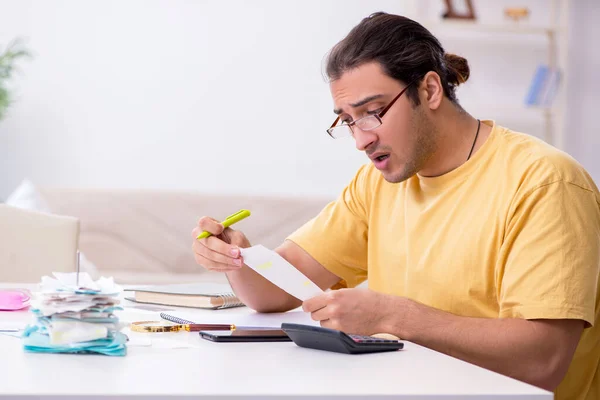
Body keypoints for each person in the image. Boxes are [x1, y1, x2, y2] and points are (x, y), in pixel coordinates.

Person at [191, 12, 600, 399]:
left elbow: (543, 360)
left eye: (372, 112)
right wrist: (237, 256)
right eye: (348, 120)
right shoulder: (379, 183)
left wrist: (395, 317)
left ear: (430, 89)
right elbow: (274, 293)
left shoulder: (545, 182)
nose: (361, 139)